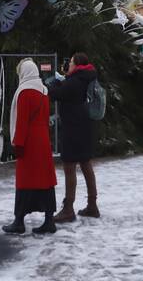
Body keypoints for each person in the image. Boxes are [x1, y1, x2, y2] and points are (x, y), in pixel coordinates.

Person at [2, 59, 58, 235]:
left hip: (29, 141)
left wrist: (17, 143)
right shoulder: (43, 91)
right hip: (43, 140)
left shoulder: (25, 92)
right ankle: (49, 220)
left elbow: (22, 121)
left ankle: (19, 221)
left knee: (25, 181)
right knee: (45, 180)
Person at [47, 52, 100, 222]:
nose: (68, 65)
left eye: (70, 62)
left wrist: (55, 81)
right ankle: (92, 205)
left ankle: (68, 208)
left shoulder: (75, 81)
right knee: (85, 164)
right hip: (84, 126)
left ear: (77, 64)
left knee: (69, 166)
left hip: (73, 128)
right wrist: (64, 78)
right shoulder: (84, 78)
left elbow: (55, 94)